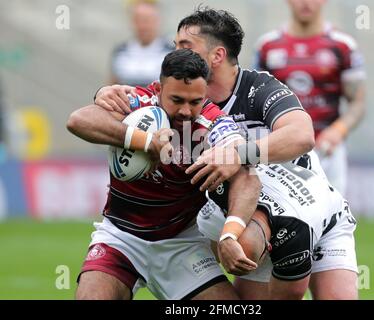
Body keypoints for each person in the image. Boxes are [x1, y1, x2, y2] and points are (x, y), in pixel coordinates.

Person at [93, 7, 321, 299]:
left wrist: (238, 155)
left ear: (217, 56)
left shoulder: (251, 94)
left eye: (184, 46)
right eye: (175, 45)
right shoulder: (158, 95)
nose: (173, 51)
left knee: (250, 249)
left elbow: (301, 136)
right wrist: (109, 101)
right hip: (130, 232)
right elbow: (81, 120)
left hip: (295, 202)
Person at [66, 49, 261, 300]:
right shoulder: (138, 102)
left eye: (195, 102)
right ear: (158, 89)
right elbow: (78, 120)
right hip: (121, 237)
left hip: (181, 245)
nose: (185, 111)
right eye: (177, 100)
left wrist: (230, 234)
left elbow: (247, 177)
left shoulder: (213, 123)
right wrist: (147, 142)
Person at [255, 0, 366, 195]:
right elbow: (255, 100)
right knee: (283, 219)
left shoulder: (343, 45)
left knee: (333, 220)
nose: (306, 3)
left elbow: (357, 103)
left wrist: (338, 131)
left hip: (328, 147)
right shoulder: (267, 46)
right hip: (283, 148)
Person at [202, 162, 359, 300]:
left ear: (266, 253)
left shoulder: (296, 233)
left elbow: (288, 295)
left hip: (328, 222)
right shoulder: (222, 188)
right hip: (283, 199)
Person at [110, 0, 173, 87]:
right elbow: (112, 86)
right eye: (138, 20)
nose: (142, 26)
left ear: (157, 21)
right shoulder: (120, 51)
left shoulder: (171, 51)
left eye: (147, 20)